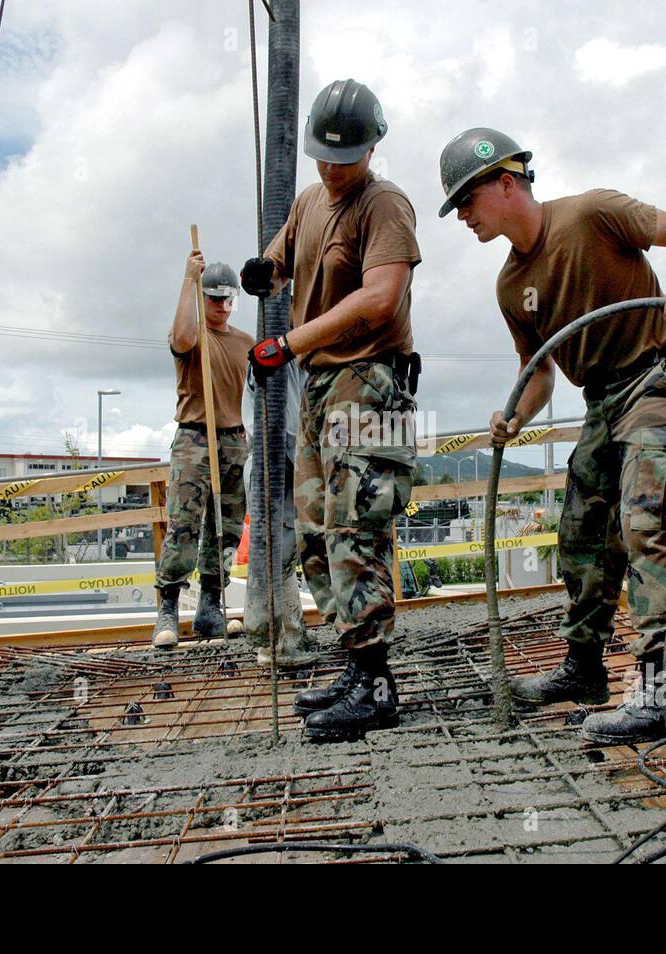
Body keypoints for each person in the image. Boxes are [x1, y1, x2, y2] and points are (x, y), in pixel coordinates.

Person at [439, 126, 666, 746]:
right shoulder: (511, 287)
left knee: (646, 525)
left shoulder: (593, 214)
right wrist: (515, 415)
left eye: (466, 199)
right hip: (602, 400)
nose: (462, 216)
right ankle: (585, 669)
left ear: (506, 183)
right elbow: (537, 373)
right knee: (580, 534)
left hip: (658, 377)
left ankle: (660, 693)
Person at [242, 78, 421, 742]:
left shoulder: (386, 205)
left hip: (369, 380)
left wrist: (288, 343)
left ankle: (377, 687)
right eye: (324, 156)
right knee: (318, 535)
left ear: (372, 149)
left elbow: (380, 298)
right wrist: (265, 268)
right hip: (319, 386)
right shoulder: (312, 199)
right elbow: (284, 255)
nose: (332, 169)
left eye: (345, 158)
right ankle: (355, 667)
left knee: (357, 528)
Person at [152, 258, 253, 649]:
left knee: (226, 528)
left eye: (228, 300)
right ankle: (169, 609)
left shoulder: (244, 343)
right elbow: (179, 338)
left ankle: (212, 604)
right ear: (202, 298)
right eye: (214, 299)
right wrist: (188, 278)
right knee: (184, 525)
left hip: (234, 439)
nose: (223, 306)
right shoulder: (192, 336)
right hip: (195, 437)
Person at [239, 358, 318, 668]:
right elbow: (283, 425)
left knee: (286, 555)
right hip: (275, 461)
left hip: (289, 457)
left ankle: (293, 635)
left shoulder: (302, 359)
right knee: (279, 554)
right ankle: (278, 646)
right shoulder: (274, 357)